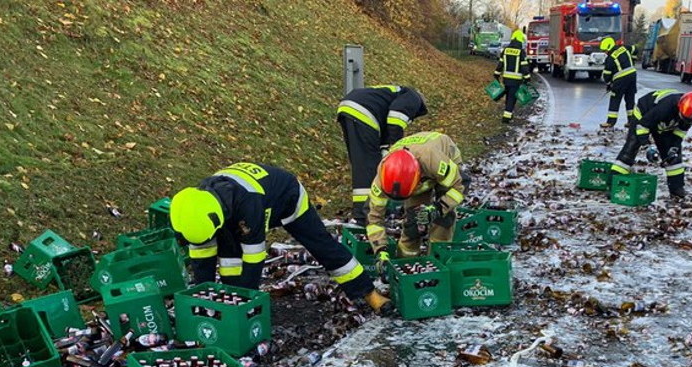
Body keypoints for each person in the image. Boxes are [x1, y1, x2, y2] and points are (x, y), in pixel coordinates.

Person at [169, 162, 391, 312]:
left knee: (322, 245)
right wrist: (204, 300)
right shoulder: (196, 207)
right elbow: (202, 257)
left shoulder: (249, 204)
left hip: (286, 197)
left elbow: (254, 260)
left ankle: (369, 293)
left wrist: (246, 302)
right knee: (230, 262)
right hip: (234, 209)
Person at [365, 132, 470, 274]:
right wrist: (380, 250)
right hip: (417, 173)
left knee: (443, 219)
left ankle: (438, 262)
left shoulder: (434, 161)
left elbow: (460, 186)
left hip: (445, 157)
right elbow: (374, 218)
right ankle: (404, 263)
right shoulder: (382, 177)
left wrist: (437, 209)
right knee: (413, 221)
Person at [337, 85, 429, 226]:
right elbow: (396, 119)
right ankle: (365, 214)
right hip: (364, 112)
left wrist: (386, 149)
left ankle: (363, 212)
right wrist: (397, 147)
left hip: (350, 108)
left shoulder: (394, 94)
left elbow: (387, 124)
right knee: (369, 166)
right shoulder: (413, 97)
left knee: (362, 164)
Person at [610, 90, 692, 198]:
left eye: (686, 119)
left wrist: (673, 148)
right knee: (630, 148)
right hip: (644, 115)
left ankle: (676, 189)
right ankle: (613, 185)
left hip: (665, 125)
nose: (683, 120)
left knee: (674, 158)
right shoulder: (666, 107)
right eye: (682, 117)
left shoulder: (691, 114)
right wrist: (647, 146)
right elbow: (643, 126)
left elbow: (680, 131)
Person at [494, 30, 531, 124]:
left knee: (508, 97)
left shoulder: (505, 50)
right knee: (512, 98)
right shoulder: (520, 52)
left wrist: (496, 74)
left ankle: (508, 115)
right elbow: (524, 67)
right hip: (516, 80)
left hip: (506, 79)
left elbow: (500, 64)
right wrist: (527, 78)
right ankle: (506, 117)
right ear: (519, 40)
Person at [600, 37, 638, 129]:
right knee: (630, 99)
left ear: (609, 48)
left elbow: (606, 75)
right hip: (632, 75)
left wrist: (609, 84)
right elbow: (635, 49)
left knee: (615, 98)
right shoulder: (624, 48)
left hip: (621, 79)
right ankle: (632, 121)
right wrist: (633, 60)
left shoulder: (610, 58)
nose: (604, 52)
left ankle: (610, 122)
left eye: (605, 50)